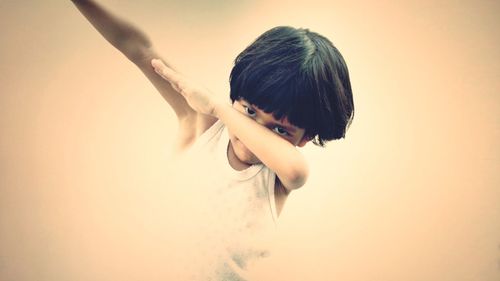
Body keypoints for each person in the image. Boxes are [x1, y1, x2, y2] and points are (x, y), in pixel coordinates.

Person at [71, 0, 354, 279]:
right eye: (249, 111)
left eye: (279, 129)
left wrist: (218, 106)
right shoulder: (203, 125)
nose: (250, 133)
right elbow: (137, 47)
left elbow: (296, 170)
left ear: (304, 139)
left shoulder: (278, 176)